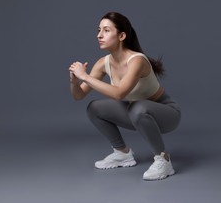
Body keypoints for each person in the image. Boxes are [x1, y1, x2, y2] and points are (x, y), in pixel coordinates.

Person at [68, 12, 181, 181]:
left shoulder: (137, 61)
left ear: (121, 35)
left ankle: (163, 160)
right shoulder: (103, 63)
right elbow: (79, 96)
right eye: (99, 30)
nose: (99, 35)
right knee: (94, 108)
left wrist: (85, 77)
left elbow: (119, 93)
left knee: (137, 108)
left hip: (167, 113)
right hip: (136, 113)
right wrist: (75, 82)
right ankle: (122, 153)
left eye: (106, 30)